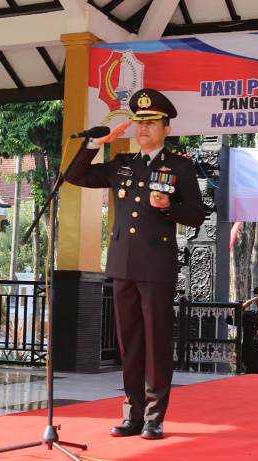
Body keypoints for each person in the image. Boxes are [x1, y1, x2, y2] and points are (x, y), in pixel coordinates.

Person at [65, 89, 205, 440]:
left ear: (166, 128)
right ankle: (132, 413)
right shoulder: (123, 164)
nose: (143, 128)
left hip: (156, 266)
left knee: (157, 344)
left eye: (151, 122)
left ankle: (155, 416)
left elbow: (197, 214)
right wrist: (97, 142)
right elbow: (75, 176)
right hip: (122, 262)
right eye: (140, 122)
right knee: (129, 344)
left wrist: (168, 207)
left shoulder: (180, 166)